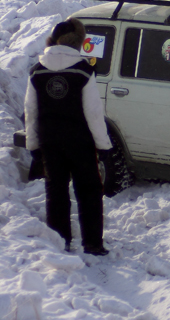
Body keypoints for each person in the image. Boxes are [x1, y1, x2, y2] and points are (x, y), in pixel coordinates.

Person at [24, 17, 112, 256]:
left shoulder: (37, 71)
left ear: (51, 41)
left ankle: (61, 241)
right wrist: (103, 145)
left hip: (50, 142)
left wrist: (33, 145)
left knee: (56, 191)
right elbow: (93, 112)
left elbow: (30, 112)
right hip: (80, 141)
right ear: (78, 42)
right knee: (89, 190)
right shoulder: (83, 71)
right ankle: (92, 243)